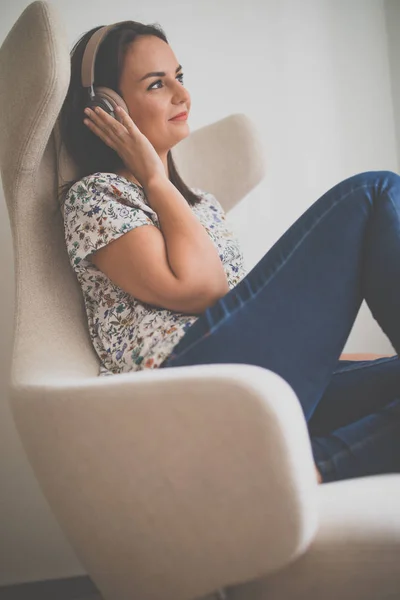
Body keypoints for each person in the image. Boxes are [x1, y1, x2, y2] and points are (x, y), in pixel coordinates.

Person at [60, 21, 400, 485]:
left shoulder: (201, 204)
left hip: (242, 379)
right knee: (374, 192)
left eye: (180, 76)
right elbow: (202, 289)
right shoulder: (97, 197)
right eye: (158, 84)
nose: (183, 95)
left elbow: (236, 313)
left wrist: (329, 361)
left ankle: (306, 470)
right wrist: (155, 179)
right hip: (186, 388)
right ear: (107, 109)